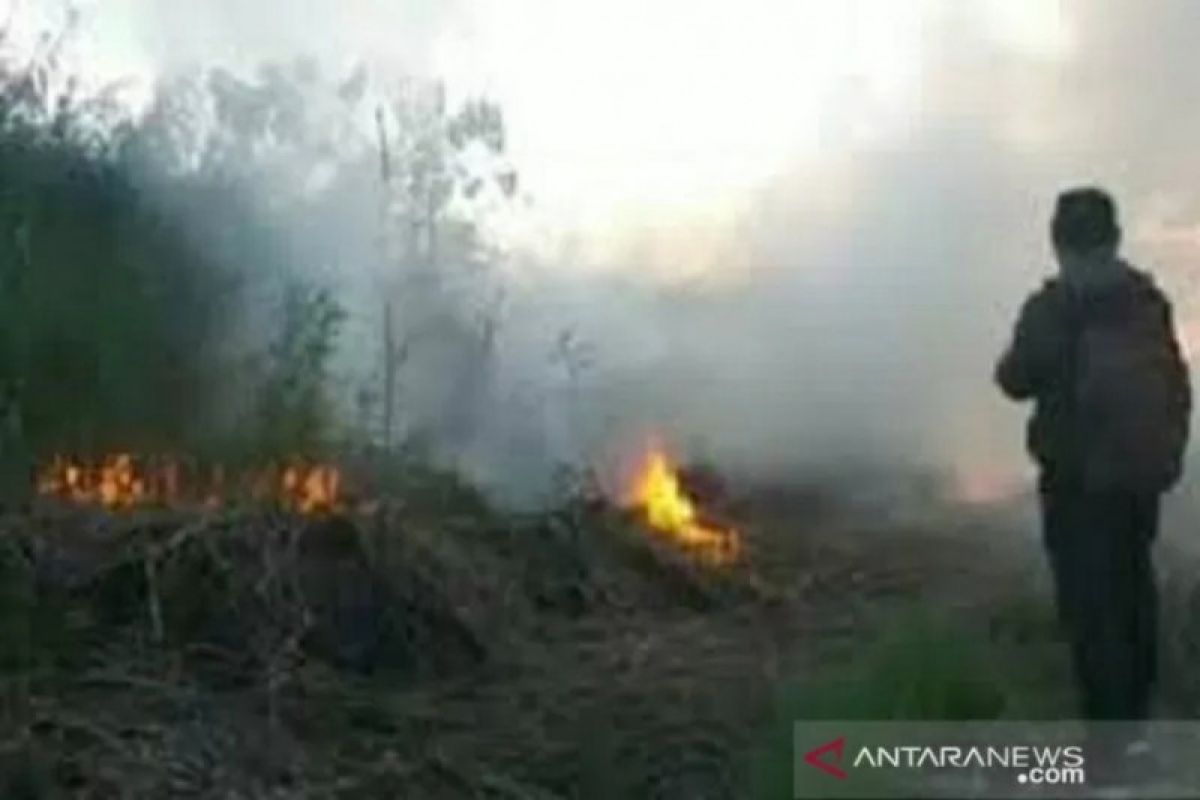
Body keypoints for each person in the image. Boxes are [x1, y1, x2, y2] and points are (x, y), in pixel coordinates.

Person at [995, 188, 1191, 752]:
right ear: (1116, 238)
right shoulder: (1145, 299)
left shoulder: (1051, 309)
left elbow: (1013, 381)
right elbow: (1173, 380)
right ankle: (1136, 721)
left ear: (1058, 244)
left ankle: (1108, 748)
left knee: (1088, 609)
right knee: (1133, 593)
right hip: (1138, 481)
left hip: (1077, 485)